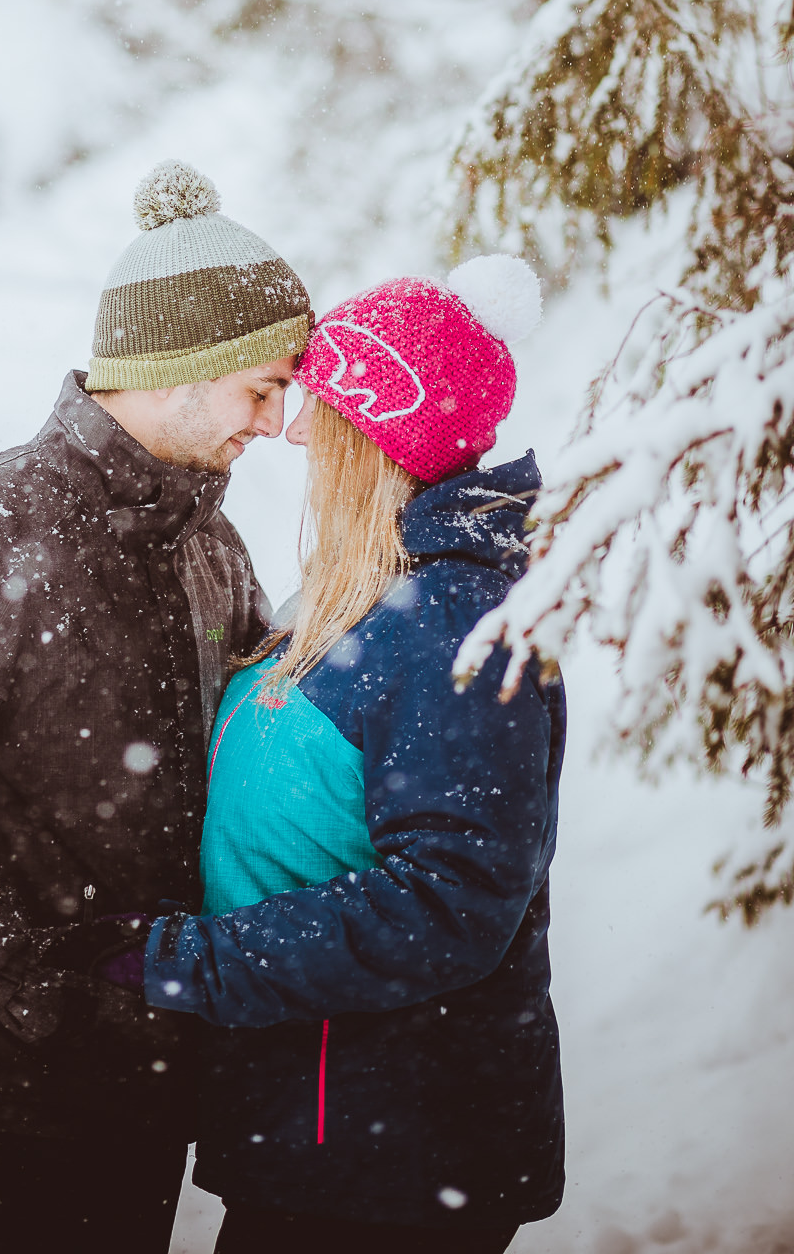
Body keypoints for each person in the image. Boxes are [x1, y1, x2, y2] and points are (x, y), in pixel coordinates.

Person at [0, 160, 311, 1253]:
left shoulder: (207, 543)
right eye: (261, 386)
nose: (276, 420)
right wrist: (19, 981)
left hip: (144, 1066)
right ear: (181, 366)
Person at [139, 258, 566, 1252]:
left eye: (319, 406)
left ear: (373, 432)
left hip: (392, 1157)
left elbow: (449, 902)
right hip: (326, 1129)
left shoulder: (456, 619)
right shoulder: (372, 590)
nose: (292, 427)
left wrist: (196, 959)